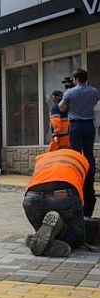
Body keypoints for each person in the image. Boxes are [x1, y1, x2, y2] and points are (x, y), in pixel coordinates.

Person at [23, 138, 89, 257]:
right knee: (77, 238)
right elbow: (86, 189)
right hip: (62, 194)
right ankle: (57, 225)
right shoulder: (79, 157)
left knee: (46, 233)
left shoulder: (43, 157)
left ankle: (37, 241)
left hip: (31, 198)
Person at [59, 68, 100, 217]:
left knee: (76, 154)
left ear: (76, 79)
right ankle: (90, 173)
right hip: (89, 125)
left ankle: (79, 174)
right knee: (89, 153)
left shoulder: (70, 93)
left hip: (76, 125)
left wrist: (68, 99)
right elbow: (95, 105)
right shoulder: (94, 91)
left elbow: (61, 107)